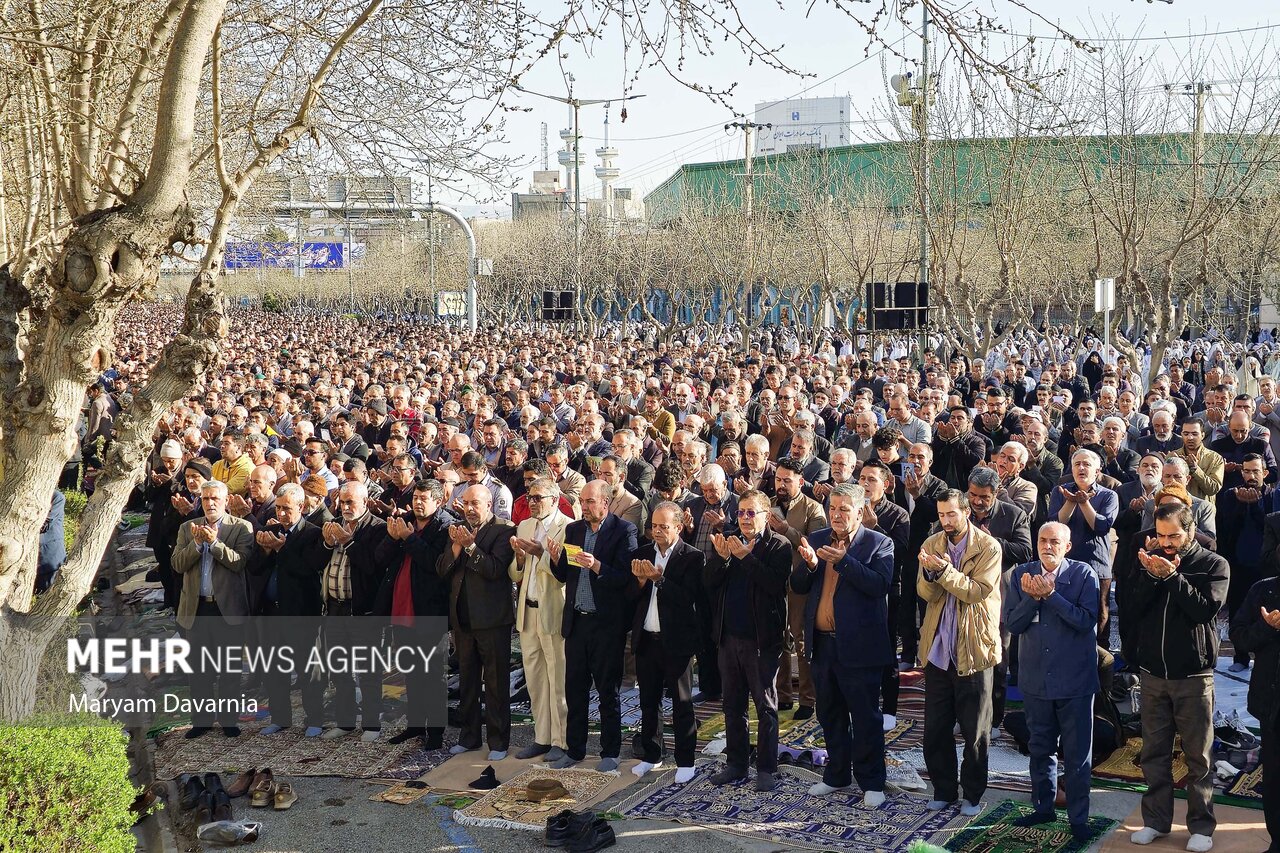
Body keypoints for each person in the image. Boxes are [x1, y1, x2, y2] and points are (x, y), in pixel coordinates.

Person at [1127, 503, 1229, 852]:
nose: (1166, 542)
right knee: (1153, 753)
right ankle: (1155, 821)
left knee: (1198, 757)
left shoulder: (1214, 565)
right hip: (1153, 674)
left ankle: (1201, 826)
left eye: (1174, 535)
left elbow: (1204, 609)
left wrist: (1171, 576)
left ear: (1191, 529)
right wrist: (1149, 575)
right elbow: (1134, 608)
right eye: (1161, 535)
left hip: (1194, 677)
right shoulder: (1151, 560)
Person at [792, 483, 893, 807]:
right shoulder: (819, 539)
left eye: (844, 509)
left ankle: (872, 781)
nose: (836, 515)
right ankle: (836, 775)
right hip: (823, 646)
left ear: (859, 512)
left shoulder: (879, 544)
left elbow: (879, 586)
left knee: (865, 717)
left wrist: (845, 561)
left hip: (860, 649)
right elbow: (798, 586)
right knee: (830, 714)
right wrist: (809, 565)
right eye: (832, 508)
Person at [1003, 522, 1099, 841]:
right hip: (1036, 681)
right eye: (1042, 540)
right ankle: (1043, 807)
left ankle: (1078, 818)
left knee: (1076, 753)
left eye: (1054, 542)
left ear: (1066, 547)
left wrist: (1052, 595)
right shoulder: (1022, 575)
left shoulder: (1084, 575)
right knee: (1040, 748)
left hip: (1075, 682)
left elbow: (1086, 622)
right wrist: (1033, 597)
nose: (1047, 546)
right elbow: (1014, 624)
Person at [917, 489, 1002, 816]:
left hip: (974, 651)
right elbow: (924, 593)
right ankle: (943, 789)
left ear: (966, 512)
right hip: (939, 651)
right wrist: (929, 573)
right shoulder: (932, 544)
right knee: (935, 730)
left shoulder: (987, 547)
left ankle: (972, 795)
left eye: (952, 514)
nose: (946, 521)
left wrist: (944, 572)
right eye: (941, 515)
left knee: (975, 732)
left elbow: (977, 592)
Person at [704, 488, 792, 792]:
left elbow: (774, 585)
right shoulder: (729, 540)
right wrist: (724, 560)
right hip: (729, 638)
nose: (744, 518)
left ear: (766, 516)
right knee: (732, 705)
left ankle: (767, 768)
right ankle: (736, 764)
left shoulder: (779, 545)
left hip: (761, 640)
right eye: (740, 512)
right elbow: (710, 584)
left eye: (751, 513)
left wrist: (746, 558)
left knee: (765, 706)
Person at [548, 479, 639, 771]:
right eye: (582, 502)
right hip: (577, 623)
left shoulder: (624, 531)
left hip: (606, 626)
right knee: (574, 690)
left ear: (605, 502)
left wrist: (597, 566)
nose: (584, 507)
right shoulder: (574, 530)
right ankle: (575, 750)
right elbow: (564, 575)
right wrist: (554, 559)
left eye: (589, 502)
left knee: (607, 692)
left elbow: (626, 578)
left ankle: (610, 751)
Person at [626, 501, 705, 783]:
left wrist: (659, 580)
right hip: (647, 637)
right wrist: (639, 582)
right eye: (654, 526)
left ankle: (686, 759)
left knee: (682, 702)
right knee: (649, 700)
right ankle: (652, 754)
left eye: (664, 527)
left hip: (677, 641)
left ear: (679, 527)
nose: (657, 532)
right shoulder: (642, 553)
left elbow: (689, 599)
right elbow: (630, 598)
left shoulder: (692, 557)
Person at [437, 485, 517, 759]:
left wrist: (470, 546)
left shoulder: (504, 530)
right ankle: (469, 737)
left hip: (493, 620)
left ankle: (498, 742)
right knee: (467, 682)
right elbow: (443, 568)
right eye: (466, 503)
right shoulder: (457, 529)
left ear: (489, 505)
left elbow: (495, 570)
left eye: (476, 503)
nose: (470, 508)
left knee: (495, 684)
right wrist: (457, 546)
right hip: (463, 619)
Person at [377, 478, 457, 751]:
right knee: (409, 672)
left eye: (425, 498)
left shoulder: (446, 526)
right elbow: (380, 559)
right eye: (416, 497)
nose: (418, 503)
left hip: (428, 611)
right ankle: (414, 726)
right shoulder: (404, 519)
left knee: (432, 676)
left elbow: (436, 565)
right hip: (401, 609)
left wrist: (408, 538)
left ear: (438, 501)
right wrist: (392, 536)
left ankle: (435, 732)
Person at [171, 480, 255, 738]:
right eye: (206, 499)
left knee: (229, 669)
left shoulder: (241, 527)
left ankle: (229, 720)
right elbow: (177, 564)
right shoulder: (188, 528)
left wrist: (215, 544)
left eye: (215, 499)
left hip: (226, 610)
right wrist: (197, 546)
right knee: (199, 669)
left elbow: (239, 563)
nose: (210, 503)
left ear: (226, 501)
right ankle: (202, 721)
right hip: (197, 609)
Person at [247, 482, 327, 738]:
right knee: (274, 670)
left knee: (309, 670)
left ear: (300, 507)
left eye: (287, 508)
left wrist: (282, 548)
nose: (281, 514)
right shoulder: (271, 531)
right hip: (271, 612)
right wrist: (265, 549)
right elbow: (254, 568)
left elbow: (308, 567)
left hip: (301, 613)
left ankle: (315, 719)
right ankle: (281, 718)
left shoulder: (312, 533)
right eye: (278, 508)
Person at [319, 480, 394, 741]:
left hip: (363, 612)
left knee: (368, 670)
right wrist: (328, 544)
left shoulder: (378, 528)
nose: (345, 506)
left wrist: (348, 542)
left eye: (351, 502)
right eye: (342, 501)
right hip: (335, 608)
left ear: (365, 502)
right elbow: (315, 562)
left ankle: (372, 724)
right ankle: (345, 721)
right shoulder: (334, 524)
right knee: (339, 670)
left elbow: (373, 565)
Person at [507, 477, 570, 761]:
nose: (532, 502)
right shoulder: (524, 525)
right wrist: (520, 558)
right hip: (527, 611)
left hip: (552, 610)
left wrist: (541, 553)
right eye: (529, 497)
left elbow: (565, 573)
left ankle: (561, 740)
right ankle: (542, 737)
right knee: (534, 678)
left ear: (554, 500)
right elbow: (516, 574)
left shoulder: (568, 527)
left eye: (538, 497)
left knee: (558, 678)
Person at [769, 457, 828, 719]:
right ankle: (782, 695)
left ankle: (807, 699)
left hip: (800, 585)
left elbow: (815, 545)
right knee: (777, 640)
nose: (781, 485)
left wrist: (786, 530)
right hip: (773, 584)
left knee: (801, 643)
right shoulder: (767, 506)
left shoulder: (813, 509)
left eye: (787, 481)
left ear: (800, 482)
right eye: (778, 479)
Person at [1229, 575, 1280, 852]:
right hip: (1270, 704)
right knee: (1273, 779)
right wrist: (1267, 627)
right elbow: (1239, 635)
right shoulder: (1264, 590)